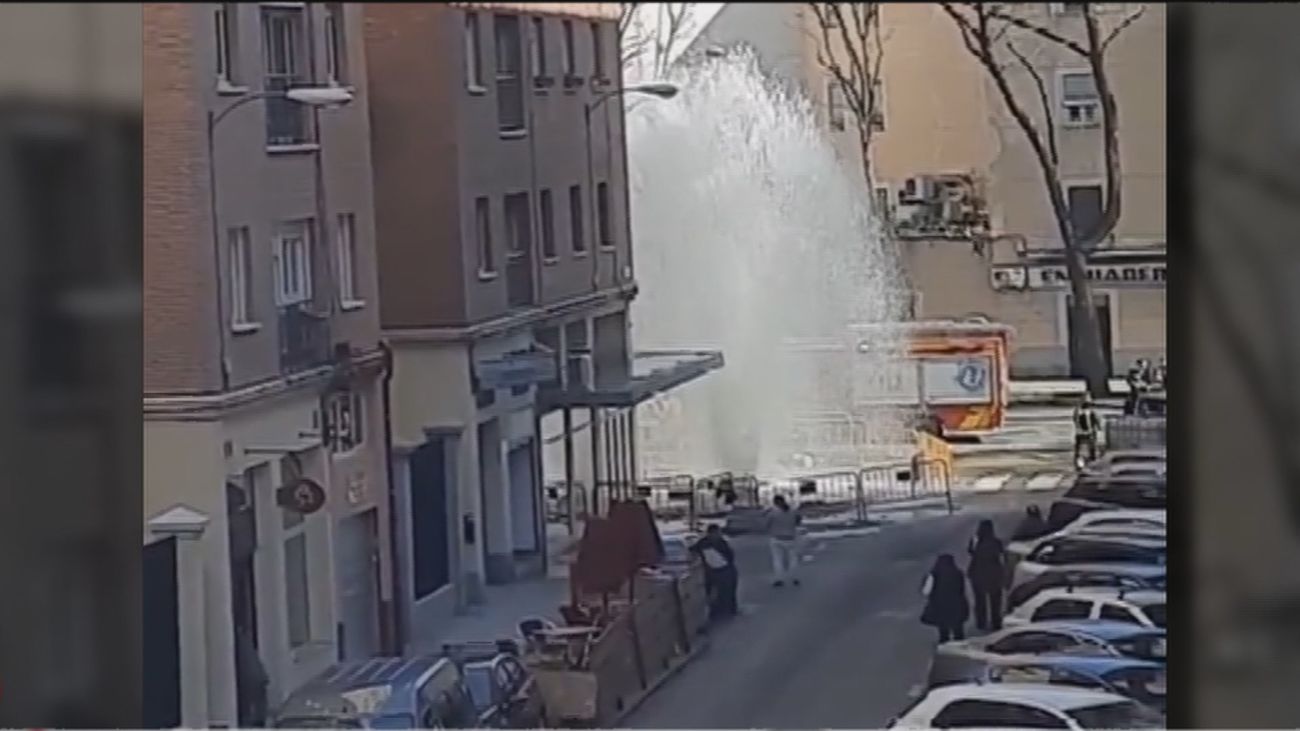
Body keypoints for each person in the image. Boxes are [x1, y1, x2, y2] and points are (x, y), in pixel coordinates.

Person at [692, 524, 739, 619]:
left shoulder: (719, 542)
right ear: (711, 533)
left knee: (728, 589)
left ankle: (728, 609)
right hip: (716, 570)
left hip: (722, 569)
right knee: (719, 590)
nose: (719, 534)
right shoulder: (707, 543)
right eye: (717, 533)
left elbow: (730, 555)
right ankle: (721, 610)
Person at [967, 519, 1006, 631]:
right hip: (994, 575)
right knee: (995, 601)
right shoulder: (996, 542)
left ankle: (981, 622)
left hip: (978, 574)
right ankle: (996, 622)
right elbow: (1001, 554)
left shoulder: (975, 541)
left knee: (980, 601)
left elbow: (970, 552)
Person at [921, 553, 970, 642]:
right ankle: (960, 646)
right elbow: (961, 589)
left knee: (943, 629)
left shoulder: (933, 575)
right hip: (957, 605)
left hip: (939, 606)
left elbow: (926, 591)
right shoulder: (958, 573)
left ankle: (945, 647)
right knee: (958, 629)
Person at [766, 495, 802, 587]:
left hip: (777, 538)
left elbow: (767, 524)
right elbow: (798, 521)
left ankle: (779, 579)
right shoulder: (793, 511)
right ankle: (794, 578)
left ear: (775, 502)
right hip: (791, 538)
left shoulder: (772, 513)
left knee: (778, 560)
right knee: (793, 559)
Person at [1072, 394, 1101, 468]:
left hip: (1089, 432)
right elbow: (1076, 419)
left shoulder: (1092, 412)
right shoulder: (1079, 411)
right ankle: (1079, 460)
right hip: (1082, 432)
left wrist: (1097, 427)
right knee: (1080, 447)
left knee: (1091, 446)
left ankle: (1091, 458)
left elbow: (1097, 420)